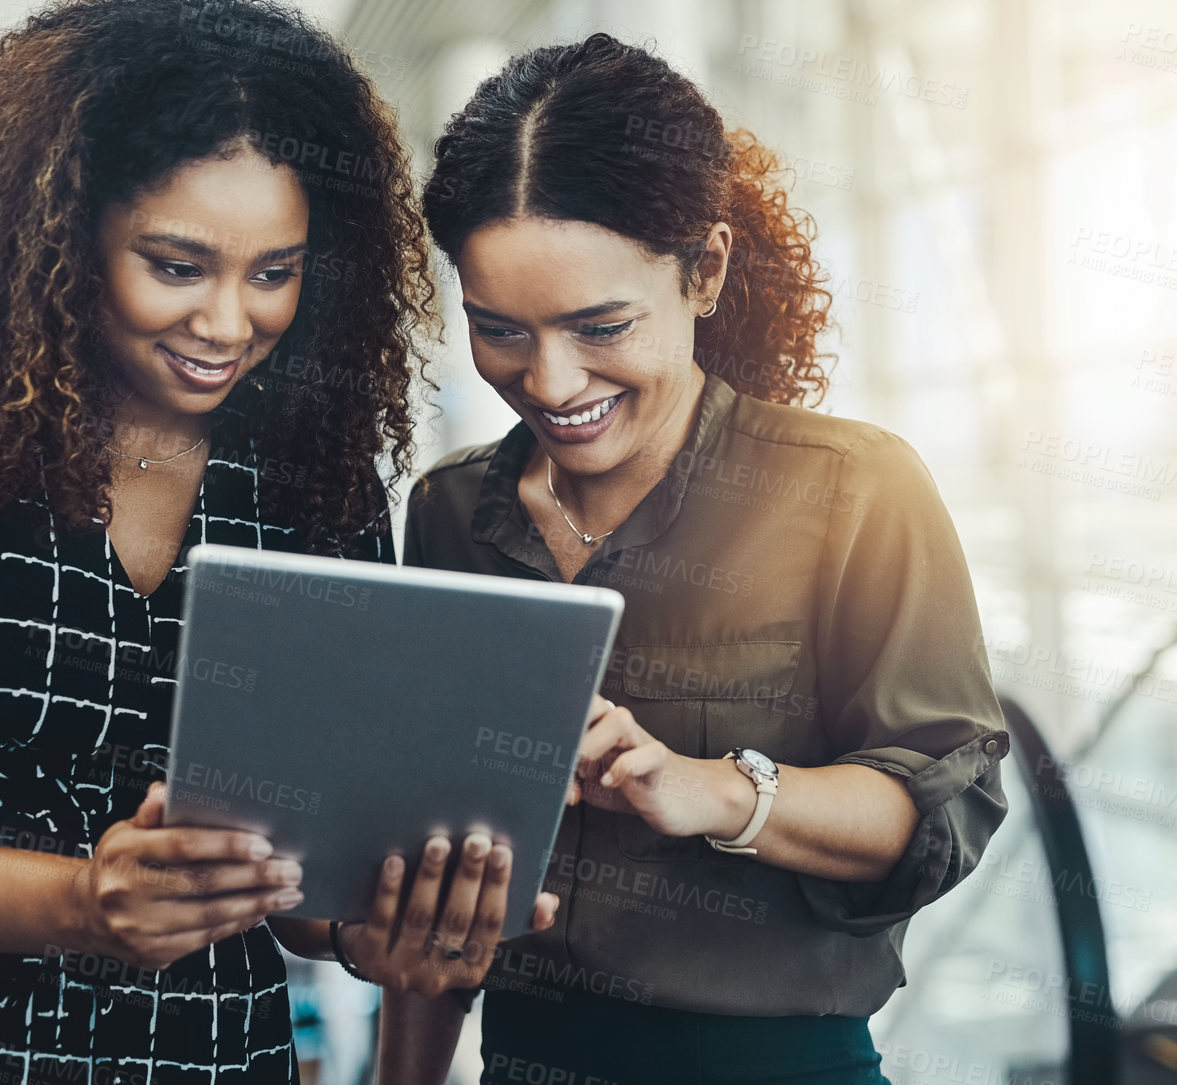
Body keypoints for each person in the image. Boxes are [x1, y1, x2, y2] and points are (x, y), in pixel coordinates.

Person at [0, 2, 547, 1081]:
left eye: (273, 273)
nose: (229, 323)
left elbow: (304, 869)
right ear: (59, 227)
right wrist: (79, 902)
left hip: (204, 1056)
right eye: (178, 266)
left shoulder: (311, 479)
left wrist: (375, 927)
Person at [392, 33, 1010, 1085]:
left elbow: (938, 811)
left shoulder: (852, 491)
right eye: (499, 330)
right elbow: (439, 885)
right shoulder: (451, 512)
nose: (548, 381)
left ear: (705, 270)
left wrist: (716, 789)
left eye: (600, 325)